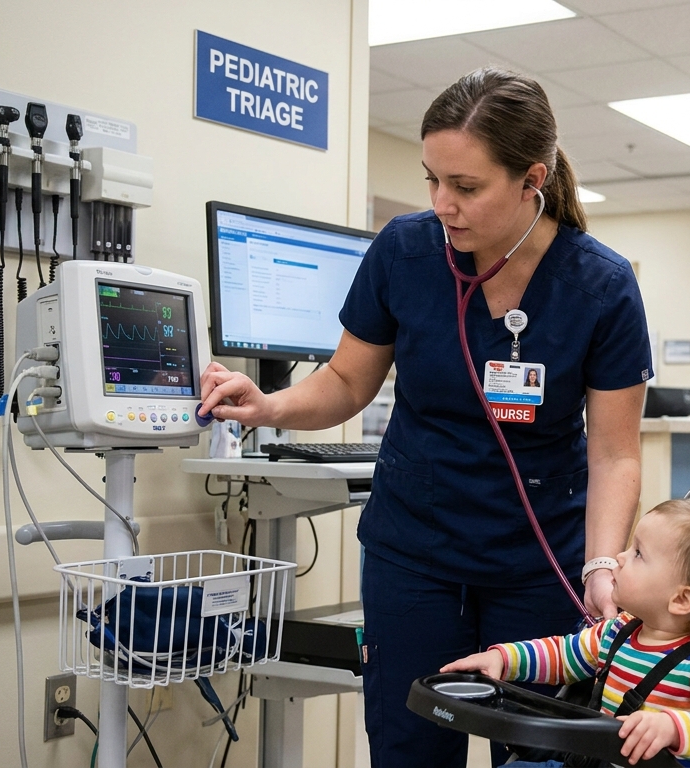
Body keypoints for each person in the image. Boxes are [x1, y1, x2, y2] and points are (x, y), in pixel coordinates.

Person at [197, 67, 653, 766]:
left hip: (537, 559)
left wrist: (601, 564)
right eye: (431, 180)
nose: (443, 203)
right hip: (415, 552)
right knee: (408, 743)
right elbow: (348, 380)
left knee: (537, 753)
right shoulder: (404, 254)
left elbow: (616, 454)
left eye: (466, 187)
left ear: (533, 179)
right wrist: (270, 406)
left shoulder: (602, 284)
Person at [442, 500, 690, 767]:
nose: (621, 557)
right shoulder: (618, 630)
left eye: (638, 553)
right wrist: (502, 659)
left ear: (681, 599)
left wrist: (673, 728)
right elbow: (561, 656)